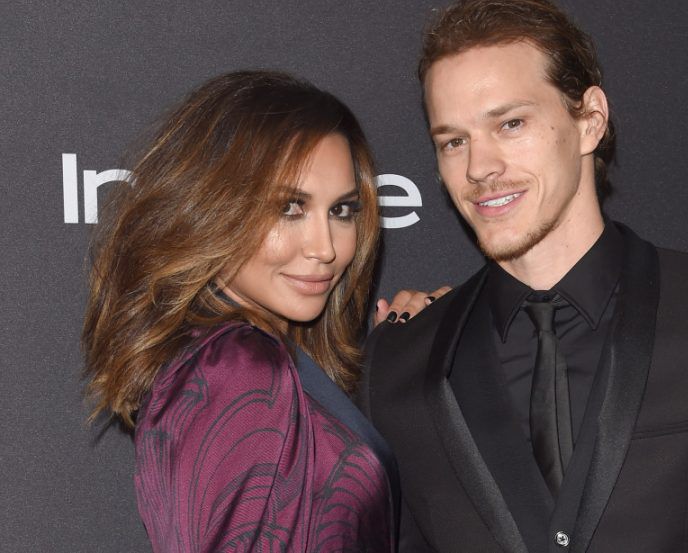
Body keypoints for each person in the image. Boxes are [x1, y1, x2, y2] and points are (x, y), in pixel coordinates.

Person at [359, 0, 688, 552]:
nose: (480, 166)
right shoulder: (402, 361)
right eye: (454, 141)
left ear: (590, 121)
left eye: (511, 125)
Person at [82, 71, 437, 552]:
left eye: (341, 211)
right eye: (290, 208)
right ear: (214, 208)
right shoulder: (237, 366)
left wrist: (391, 376)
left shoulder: (229, 358)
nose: (325, 248)